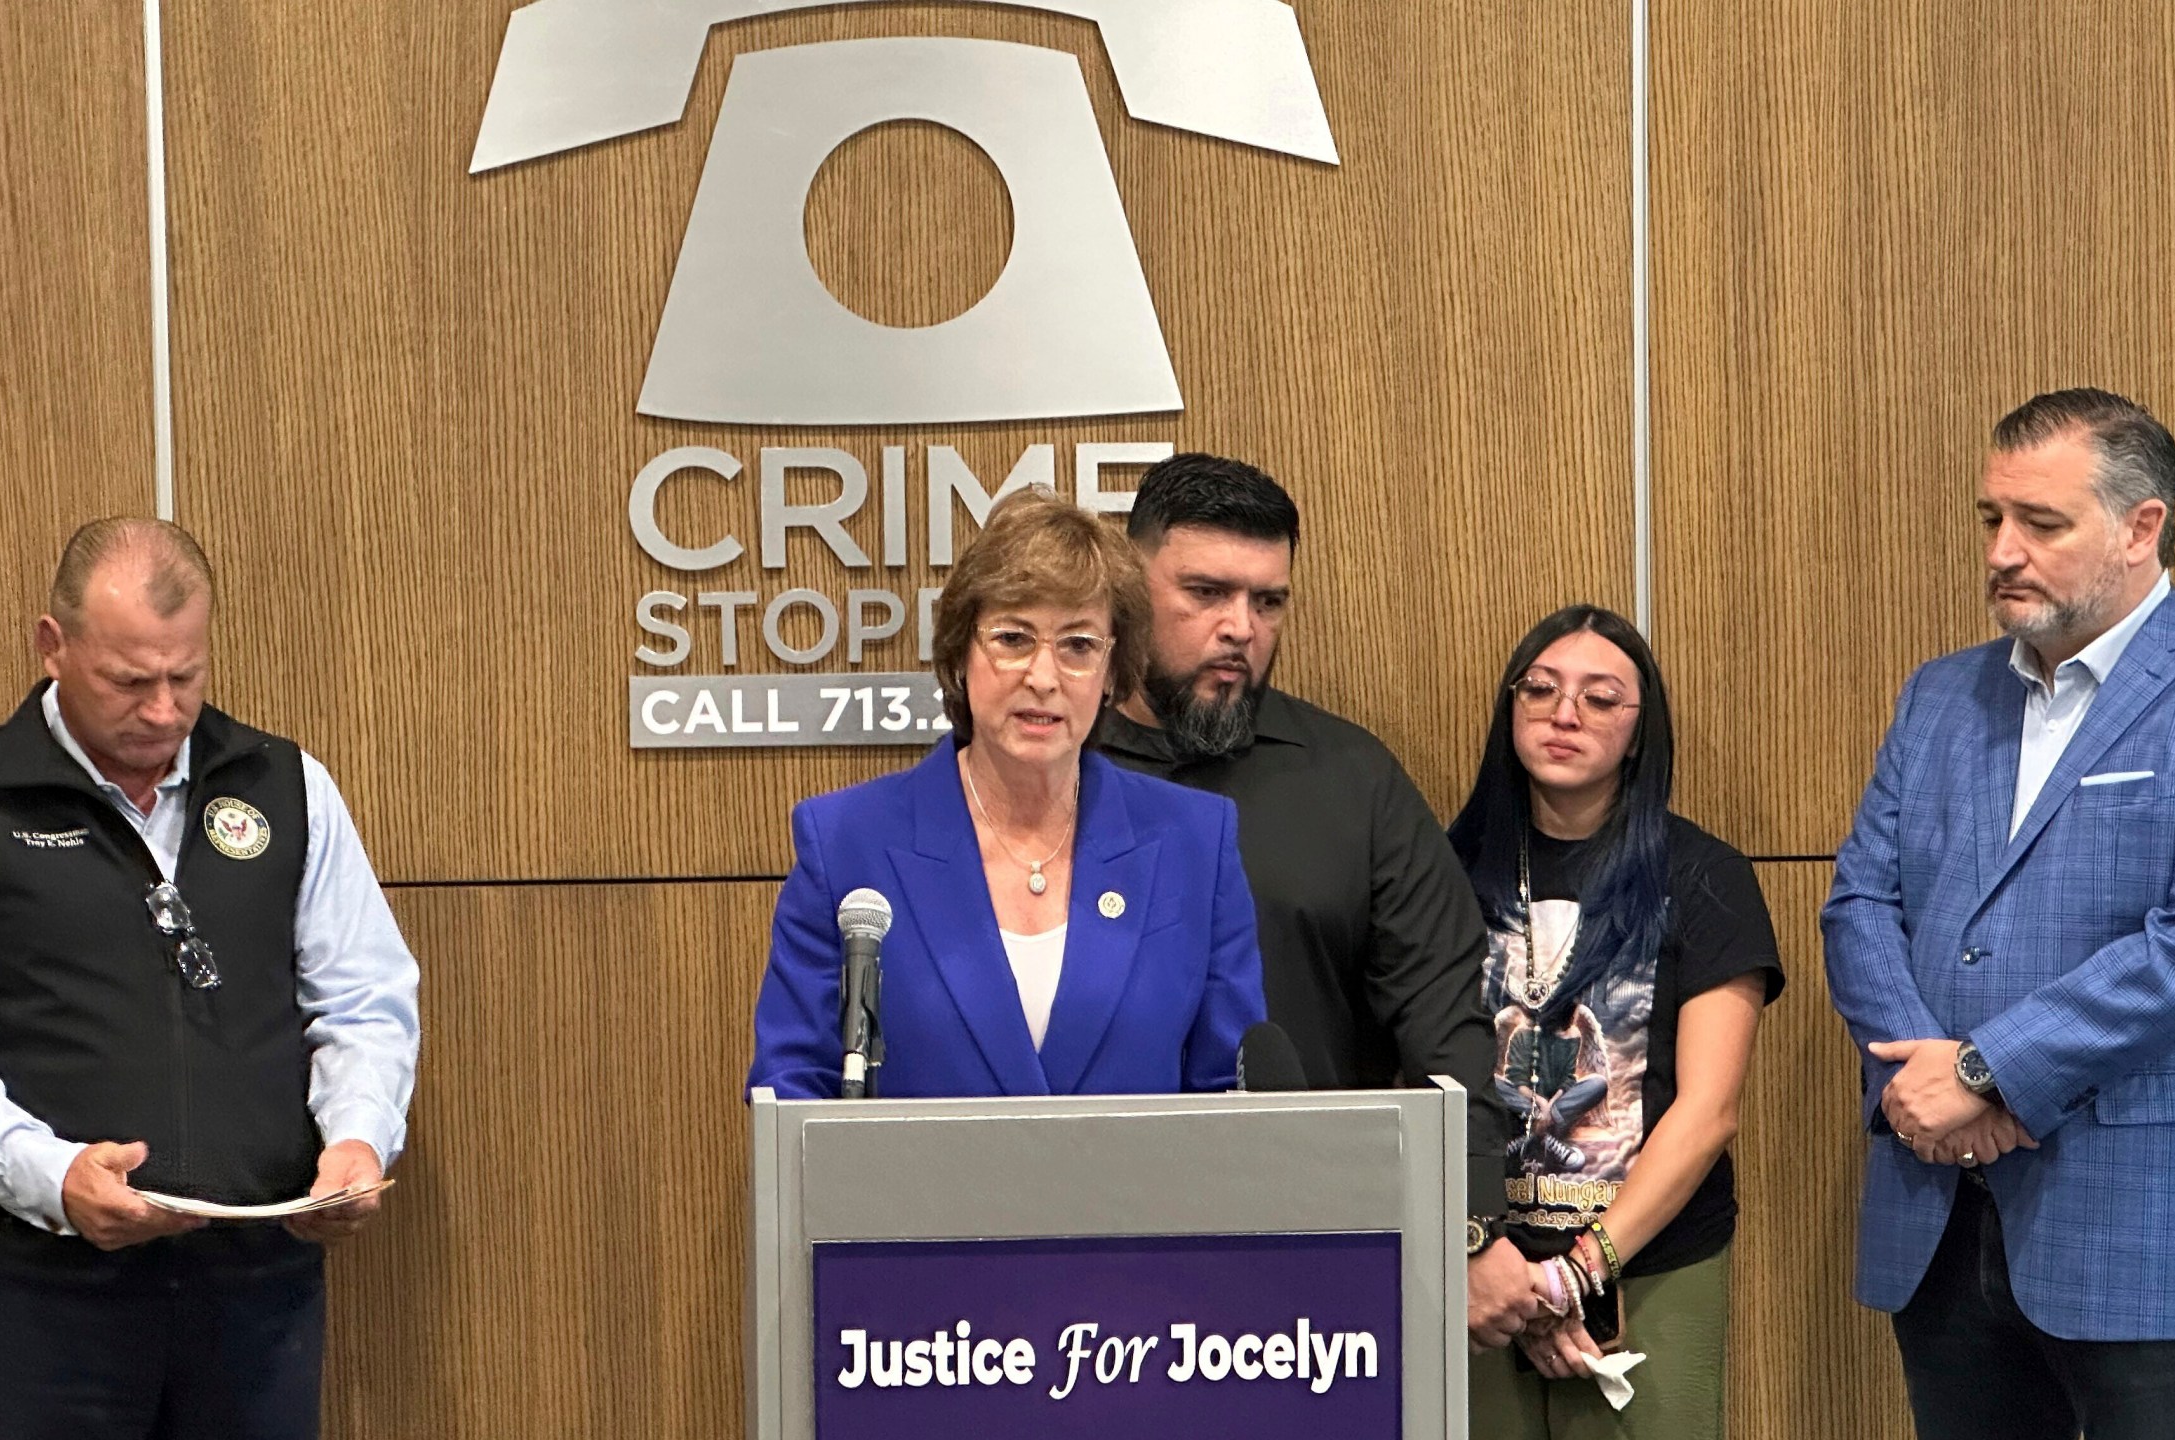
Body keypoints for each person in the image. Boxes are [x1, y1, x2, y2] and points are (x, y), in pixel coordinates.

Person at [1823, 388, 2175, 1440]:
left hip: (2149, 1225)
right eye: (1989, 519)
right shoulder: (1937, 697)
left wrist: (1982, 1073)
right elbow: (1859, 903)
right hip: (1943, 1218)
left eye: (2040, 523)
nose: (2002, 551)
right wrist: (1920, 1089)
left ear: (2139, 527)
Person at [0, 518, 422, 1440]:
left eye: (185, 676)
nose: (163, 711)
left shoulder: (286, 786)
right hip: (48, 1302)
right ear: (53, 646)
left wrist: (360, 1139)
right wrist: (55, 1178)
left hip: (258, 1294)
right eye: (129, 681)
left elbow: (364, 998)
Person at [1094, 451, 1556, 1351]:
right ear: (1129, 582)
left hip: (1306, 1246)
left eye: (1267, 602)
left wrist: (1466, 1222)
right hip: (1084, 1232)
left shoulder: (1351, 780)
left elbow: (1444, 1019)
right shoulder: (1048, 773)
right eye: (1205, 593)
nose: (1240, 628)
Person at [749, 488, 1264, 1099]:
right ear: (961, 656)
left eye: (1078, 645)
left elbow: (1229, 1102)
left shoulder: (1195, 844)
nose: (1042, 678)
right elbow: (793, 1090)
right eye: (1013, 638)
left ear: (1111, 673)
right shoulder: (847, 843)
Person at [1451, 606, 1781, 1438]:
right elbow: (1413, 1076)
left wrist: (1575, 1277)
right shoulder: (1439, 869)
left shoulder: (1704, 875)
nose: (1565, 715)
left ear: (1639, 734)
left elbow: (1708, 1112)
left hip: (1650, 1262)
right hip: (1476, 1269)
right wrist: (1486, 1257)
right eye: (1542, 690)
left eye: (1601, 700)